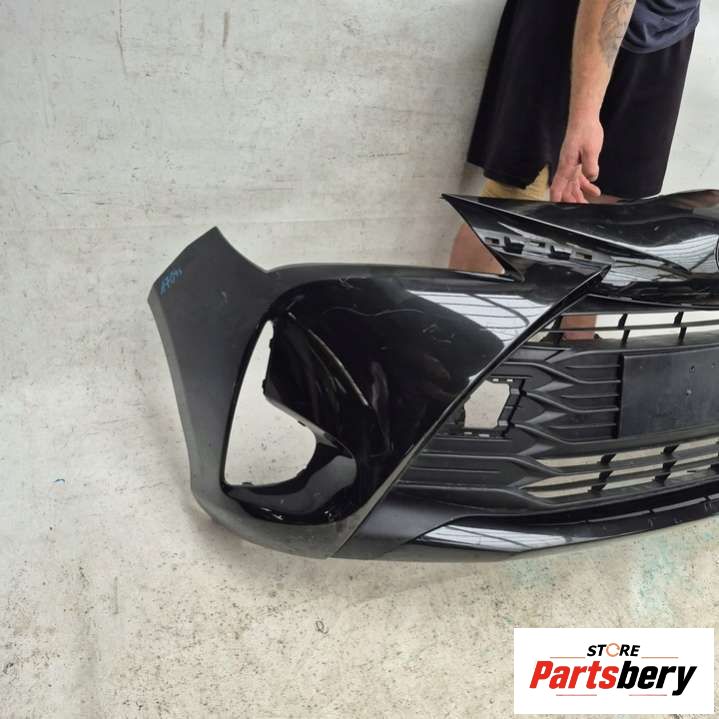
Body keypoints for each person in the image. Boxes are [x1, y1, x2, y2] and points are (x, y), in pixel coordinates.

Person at [450, 0, 700, 281]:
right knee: (514, 203)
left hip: (669, 25)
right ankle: (457, 310)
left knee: (609, 210)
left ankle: (570, 312)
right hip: (571, 16)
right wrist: (584, 116)